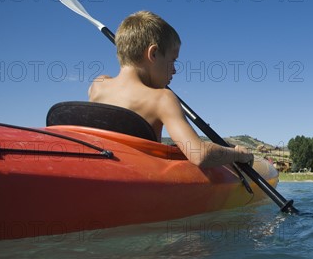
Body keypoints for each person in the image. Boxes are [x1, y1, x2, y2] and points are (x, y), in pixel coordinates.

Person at [88, 10, 253, 168]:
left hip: (100, 163)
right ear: (153, 54)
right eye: (173, 60)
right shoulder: (162, 99)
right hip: (141, 178)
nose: (174, 69)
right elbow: (199, 154)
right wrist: (237, 154)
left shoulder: (99, 84)